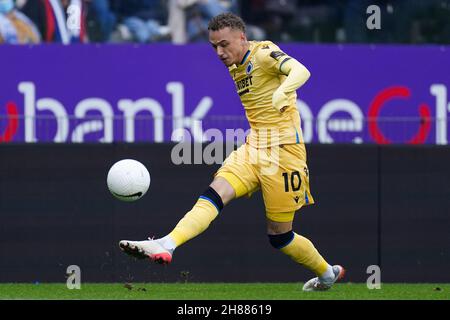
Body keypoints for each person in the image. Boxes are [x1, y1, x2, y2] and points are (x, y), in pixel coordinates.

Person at [119, 12, 345, 292]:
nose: (219, 52)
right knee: (215, 193)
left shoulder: (264, 52)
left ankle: (326, 274)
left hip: (285, 153)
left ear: (242, 38)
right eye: (214, 46)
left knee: (280, 237)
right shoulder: (235, 64)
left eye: (224, 44)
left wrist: (283, 90)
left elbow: (301, 71)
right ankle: (167, 244)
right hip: (254, 148)